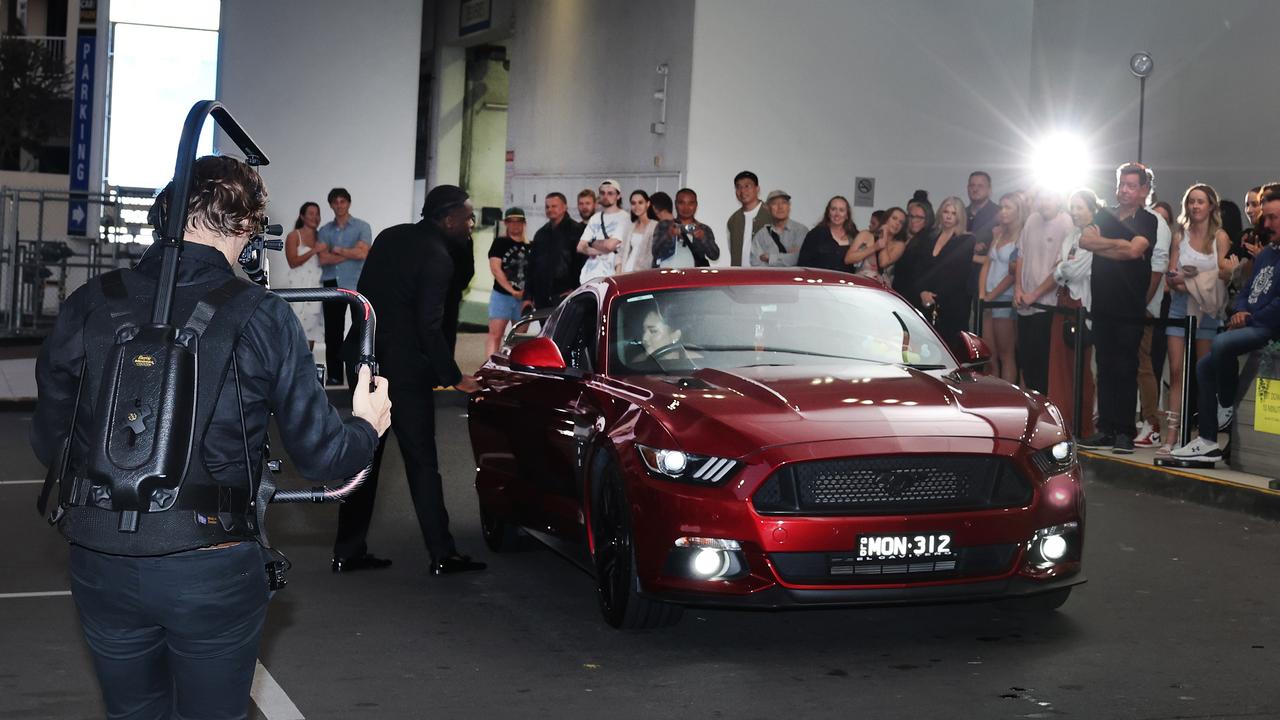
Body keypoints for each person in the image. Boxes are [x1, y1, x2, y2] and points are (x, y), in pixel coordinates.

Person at [31, 155, 390, 719]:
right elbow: (323, 454)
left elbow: (51, 442)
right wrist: (367, 422)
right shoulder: (262, 314)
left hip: (100, 555)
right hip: (211, 563)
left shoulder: (90, 301)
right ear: (249, 227)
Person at [333, 184, 486, 577]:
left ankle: (347, 551)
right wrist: (453, 377)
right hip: (404, 374)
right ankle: (442, 553)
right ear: (448, 217)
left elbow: (363, 298)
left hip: (367, 364)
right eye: (466, 218)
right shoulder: (438, 258)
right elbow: (429, 327)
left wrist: (366, 353)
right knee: (422, 463)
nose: (470, 224)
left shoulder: (390, 236)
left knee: (364, 459)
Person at [1170, 188, 1280, 463]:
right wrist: (1240, 310)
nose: (1266, 224)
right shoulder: (1267, 254)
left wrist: (1249, 318)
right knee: (1204, 366)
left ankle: (1226, 403)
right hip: (1250, 322)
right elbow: (1246, 291)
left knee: (1220, 343)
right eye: (1265, 218)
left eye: (1273, 218)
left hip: (1268, 327)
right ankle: (1207, 441)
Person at [1078, 163, 1158, 454]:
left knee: (1126, 367)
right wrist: (1117, 245)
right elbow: (1085, 240)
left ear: (1144, 191)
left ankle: (1125, 430)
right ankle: (1107, 429)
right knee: (1106, 366)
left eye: (1131, 185)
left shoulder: (1148, 220)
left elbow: (1136, 250)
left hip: (1130, 306)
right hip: (1102, 303)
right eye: (1122, 184)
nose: (1124, 190)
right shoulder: (1103, 214)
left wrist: (1104, 245)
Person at [1158, 184, 1233, 454]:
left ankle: (1204, 434)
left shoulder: (1219, 237)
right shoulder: (1180, 234)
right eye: (1191, 202)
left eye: (1200, 202)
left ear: (1211, 205)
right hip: (1180, 307)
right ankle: (1171, 436)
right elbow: (1171, 276)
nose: (1195, 207)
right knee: (1176, 371)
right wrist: (1188, 280)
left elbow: (1224, 275)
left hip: (1208, 311)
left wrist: (1189, 279)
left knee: (1204, 373)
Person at [1050, 189, 1102, 438]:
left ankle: (1082, 424)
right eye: (1073, 206)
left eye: (1080, 206)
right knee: (1060, 367)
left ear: (1092, 210)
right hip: (1063, 302)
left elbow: (1077, 271)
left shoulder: (1092, 234)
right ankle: (1064, 421)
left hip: (1081, 305)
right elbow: (1059, 268)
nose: (1075, 211)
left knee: (1080, 368)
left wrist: (1060, 270)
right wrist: (1061, 269)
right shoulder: (1070, 235)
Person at [1014, 189, 1073, 394]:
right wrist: (1019, 289)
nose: (1044, 202)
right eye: (1041, 197)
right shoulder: (1031, 220)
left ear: (1058, 198)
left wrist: (1035, 294)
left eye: (1049, 197)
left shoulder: (1066, 223)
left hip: (1048, 306)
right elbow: (1021, 255)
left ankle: (1047, 412)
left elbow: (1061, 268)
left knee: (1043, 364)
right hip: (1024, 304)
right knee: (1026, 361)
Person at [317, 187, 373, 385]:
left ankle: (362, 374)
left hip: (357, 282)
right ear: (331, 205)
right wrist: (350, 251)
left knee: (361, 329)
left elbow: (363, 254)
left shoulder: (362, 227)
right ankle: (334, 376)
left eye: (343, 201)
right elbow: (323, 259)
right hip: (331, 282)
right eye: (335, 202)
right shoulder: (324, 230)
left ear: (348, 203)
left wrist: (337, 250)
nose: (339, 205)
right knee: (333, 331)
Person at [912, 196, 977, 351]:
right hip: (925, 301)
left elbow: (958, 275)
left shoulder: (966, 240)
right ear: (940, 213)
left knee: (949, 350)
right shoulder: (929, 237)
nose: (948, 216)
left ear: (959, 216)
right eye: (946, 211)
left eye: (953, 213)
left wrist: (936, 296)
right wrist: (922, 292)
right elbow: (919, 268)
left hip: (952, 304)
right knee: (924, 349)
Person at [978, 192, 1025, 382]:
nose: (1003, 211)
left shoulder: (1021, 235)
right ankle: (992, 396)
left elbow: (1013, 274)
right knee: (990, 354)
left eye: (1008, 208)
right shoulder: (999, 233)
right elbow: (987, 263)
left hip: (1004, 299)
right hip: (988, 297)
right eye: (1001, 207)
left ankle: (1007, 398)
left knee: (1006, 354)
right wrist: (983, 294)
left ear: (1018, 211)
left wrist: (992, 296)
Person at [525, 192, 586, 310]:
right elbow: (532, 266)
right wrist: (528, 296)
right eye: (547, 207)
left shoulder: (577, 231)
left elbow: (582, 264)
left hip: (566, 296)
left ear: (564, 207)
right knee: (546, 328)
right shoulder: (541, 234)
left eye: (554, 206)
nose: (550, 209)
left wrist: (576, 289)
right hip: (541, 297)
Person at [485, 207, 531, 358]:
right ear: (506, 223)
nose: (515, 225)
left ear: (524, 223)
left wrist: (527, 295)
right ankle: (489, 369)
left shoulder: (531, 246)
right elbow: (496, 269)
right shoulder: (499, 243)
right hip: (502, 296)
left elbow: (535, 273)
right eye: (511, 222)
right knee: (495, 334)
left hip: (524, 298)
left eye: (519, 222)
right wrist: (512, 291)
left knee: (519, 338)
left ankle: (513, 370)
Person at [282, 201, 327, 348]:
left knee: (311, 329)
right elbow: (292, 261)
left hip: (316, 287)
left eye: (317, 214)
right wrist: (314, 250)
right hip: (297, 286)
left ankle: (307, 366)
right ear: (302, 216)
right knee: (294, 327)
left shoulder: (321, 237)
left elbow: (326, 260)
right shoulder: (294, 235)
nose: (315, 217)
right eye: (311, 214)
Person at [577, 179, 632, 281]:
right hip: (589, 275)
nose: (606, 196)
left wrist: (591, 242)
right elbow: (580, 247)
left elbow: (610, 246)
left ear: (618, 196)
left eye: (610, 193)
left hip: (611, 273)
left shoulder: (624, 217)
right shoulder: (595, 218)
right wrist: (602, 248)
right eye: (602, 193)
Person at [652, 188, 719, 267]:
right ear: (676, 204)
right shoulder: (664, 225)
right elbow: (655, 252)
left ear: (696, 205)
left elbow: (714, 255)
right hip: (666, 276)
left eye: (691, 203)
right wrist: (669, 235)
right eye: (681, 203)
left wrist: (703, 237)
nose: (686, 207)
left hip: (693, 277)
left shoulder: (703, 228)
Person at [889, 191, 935, 302]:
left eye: (919, 217)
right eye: (911, 216)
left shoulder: (928, 240)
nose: (914, 221)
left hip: (914, 297)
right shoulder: (906, 238)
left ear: (927, 219)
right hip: (900, 294)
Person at [798, 195, 859, 273]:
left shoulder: (854, 235)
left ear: (847, 215)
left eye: (841, 210)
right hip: (820, 282)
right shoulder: (815, 234)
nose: (837, 214)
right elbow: (803, 264)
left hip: (846, 283)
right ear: (828, 213)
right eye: (833, 209)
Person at [846, 206, 904, 283]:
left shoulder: (899, 245)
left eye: (901, 222)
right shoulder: (865, 235)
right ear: (886, 219)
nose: (897, 223)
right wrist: (874, 248)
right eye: (894, 218)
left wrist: (884, 235)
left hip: (881, 288)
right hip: (860, 283)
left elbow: (883, 263)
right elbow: (848, 259)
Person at [727, 170, 771, 266]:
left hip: (765, 276)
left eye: (747, 186)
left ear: (757, 189)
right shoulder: (733, 220)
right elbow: (732, 250)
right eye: (738, 187)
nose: (742, 191)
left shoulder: (771, 214)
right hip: (740, 277)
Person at [620, 189, 658, 272]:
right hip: (626, 270)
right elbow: (622, 252)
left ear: (647, 204)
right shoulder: (630, 226)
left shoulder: (655, 226)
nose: (636, 206)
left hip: (644, 273)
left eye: (640, 203)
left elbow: (654, 255)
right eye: (633, 203)